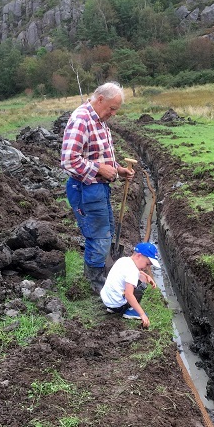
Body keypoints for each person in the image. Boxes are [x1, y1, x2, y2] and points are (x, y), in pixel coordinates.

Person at [61, 82, 135, 293]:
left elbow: (97, 155)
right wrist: (100, 169)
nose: (113, 113)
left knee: (106, 232)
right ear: (100, 99)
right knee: (99, 236)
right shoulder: (81, 120)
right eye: (112, 108)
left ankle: (102, 273)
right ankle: (95, 284)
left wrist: (118, 169)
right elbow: (69, 160)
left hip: (98, 189)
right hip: (85, 189)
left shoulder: (99, 120)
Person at [100, 242, 161, 329]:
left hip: (108, 300)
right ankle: (128, 311)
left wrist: (146, 275)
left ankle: (112, 308)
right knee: (141, 285)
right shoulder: (133, 272)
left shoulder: (124, 260)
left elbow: (131, 273)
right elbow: (129, 295)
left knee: (138, 278)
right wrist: (142, 314)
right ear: (139, 256)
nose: (147, 268)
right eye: (147, 264)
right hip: (118, 306)